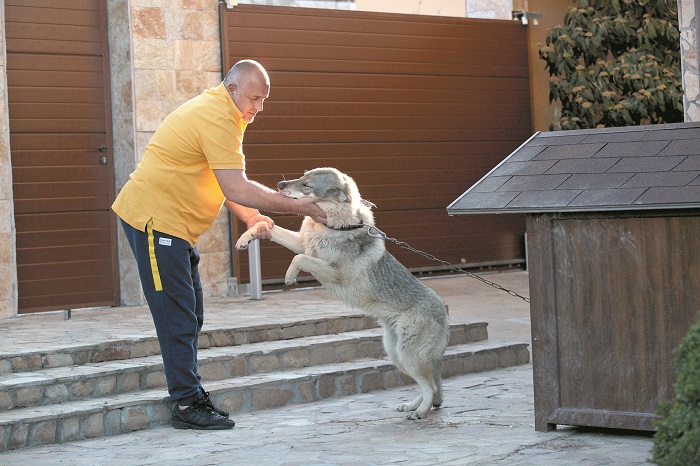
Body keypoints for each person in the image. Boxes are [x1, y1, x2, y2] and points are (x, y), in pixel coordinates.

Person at [112, 59, 325, 430]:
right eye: (255, 98)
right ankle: (186, 403)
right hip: (154, 222)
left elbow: (220, 178)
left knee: (192, 315)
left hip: (174, 228)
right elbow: (236, 185)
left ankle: (187, 392)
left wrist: (250, 216)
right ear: (232, 89)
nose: (259, 107)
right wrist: (299, 205)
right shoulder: (217, 117)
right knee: (177, 315)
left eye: (264, 101)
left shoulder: (226, 115)